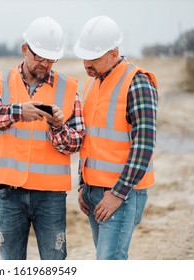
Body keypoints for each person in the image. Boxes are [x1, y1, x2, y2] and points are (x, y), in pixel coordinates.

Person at [0, 16, 85, 260]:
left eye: (51, 59)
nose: (45, 64)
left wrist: (57, 126)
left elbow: (76, 142)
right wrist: (18, 111)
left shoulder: (68, 88)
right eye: (39, 57)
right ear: (25, 49)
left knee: (54, 264)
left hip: (50, 196)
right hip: (10, 192)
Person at [73, 15, 158, 260]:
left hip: (122, 193)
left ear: (114, 52)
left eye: (94, 57)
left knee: (109, 262)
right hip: (94, 192)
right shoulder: (93, 83)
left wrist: (118, 193)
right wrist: (83, 184)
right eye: (84, 56)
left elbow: (144, 144)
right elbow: (92, 140)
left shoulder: (137, 82)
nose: (86, 63)